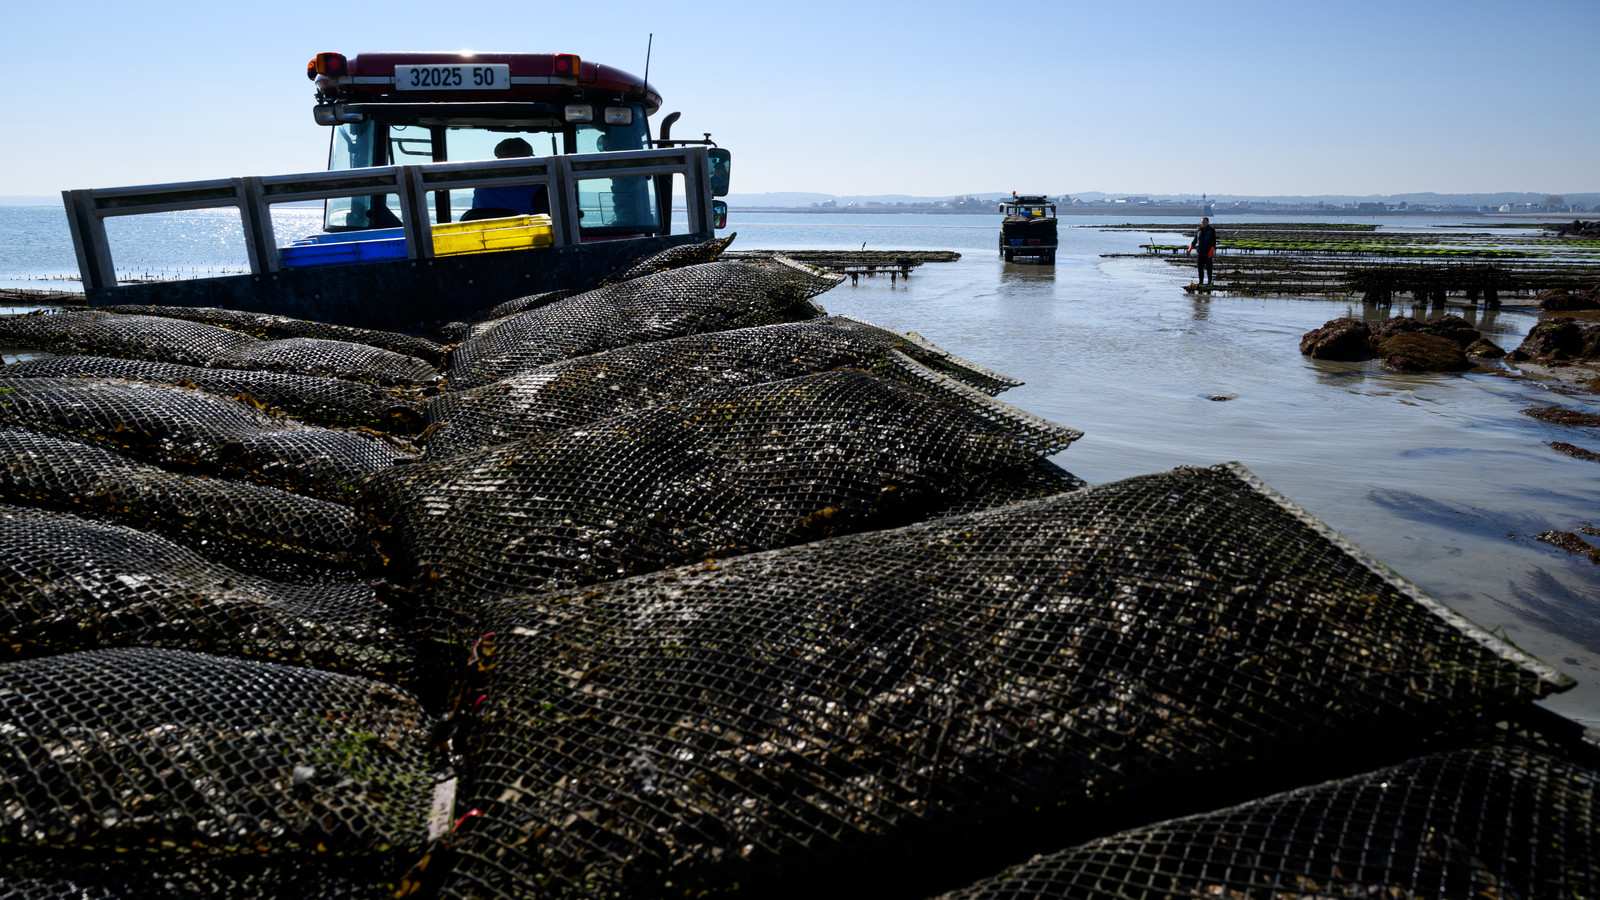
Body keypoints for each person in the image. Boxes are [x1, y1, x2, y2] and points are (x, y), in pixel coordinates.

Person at [467, 137, 549, 218]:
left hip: (483, 229)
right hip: (527, 229)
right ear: (526, 158)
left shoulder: (481, 184)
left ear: (498, 158)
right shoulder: (539, 183)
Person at [1187, 216, 1218, 285]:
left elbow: (1214, 242)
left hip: (1208, 253)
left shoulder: (1211, 230)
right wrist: (1190, 248)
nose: (1203, 223)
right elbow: (1195, 240)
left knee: (1209, 268)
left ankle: (1209, 282)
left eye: (1204, 222)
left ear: (1207, 222)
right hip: (1200, 252)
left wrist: (1211, 250)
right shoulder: (1199, 230)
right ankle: (1201, 282)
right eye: (1202, 222)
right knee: (1200, 268)